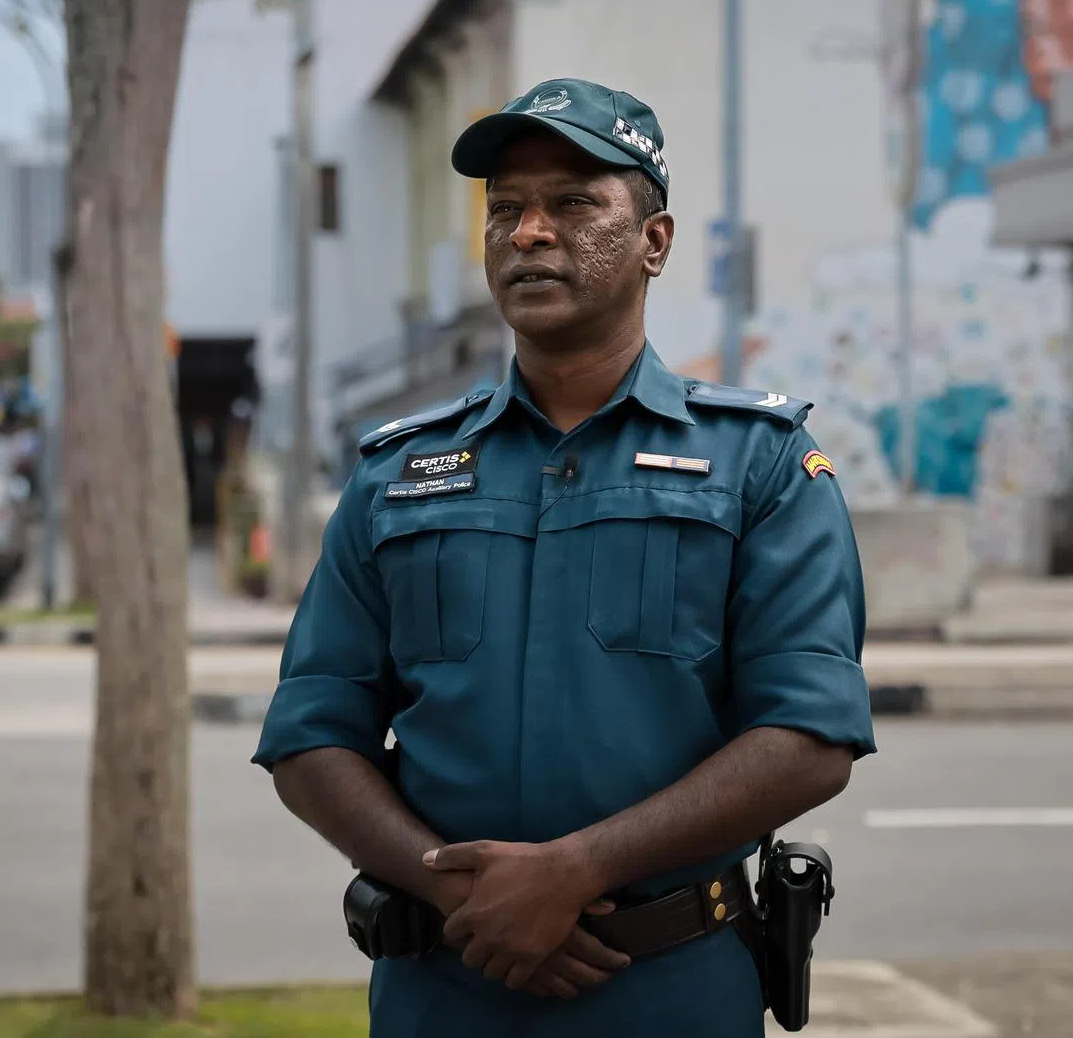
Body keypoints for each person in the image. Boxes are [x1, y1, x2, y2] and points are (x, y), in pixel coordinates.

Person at [253, 77, 876, 1037]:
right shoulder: (398, 473)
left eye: (574, 204)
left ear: (654, 242)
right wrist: (470, 899)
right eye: (506, 210)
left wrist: (575, 871)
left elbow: (810, 738)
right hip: (442, 992)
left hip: (672, 989)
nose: (529, 233)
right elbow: (309, 734)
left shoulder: (764, 464)